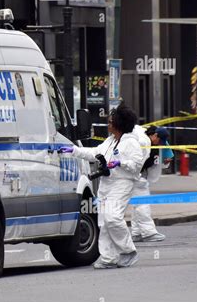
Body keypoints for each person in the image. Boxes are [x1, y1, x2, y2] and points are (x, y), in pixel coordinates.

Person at [60, 103, 144, 269]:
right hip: (106, 184)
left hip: (122, 183)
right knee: (103, 222)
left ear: (119, 124)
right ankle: (108, 257)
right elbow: (94, 153)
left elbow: (136, 164)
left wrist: (121, 163)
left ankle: (128, 251)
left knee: (113, 217)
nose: (108, 124)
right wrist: (74, 151)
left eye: (111, 122)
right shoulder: (110, 141)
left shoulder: (131, 143)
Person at [130, 126, 173, 242]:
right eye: (159, 140)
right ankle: (149, 232)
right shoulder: (144, 142)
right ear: (154, 135)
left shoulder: (150, 142)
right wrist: (138, 177)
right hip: (136, 177)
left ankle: (137, 232)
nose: (160, 144)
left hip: (138, 176)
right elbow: (137, 162)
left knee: (137, 205)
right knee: (143, 205)